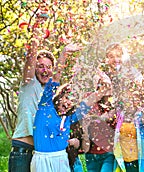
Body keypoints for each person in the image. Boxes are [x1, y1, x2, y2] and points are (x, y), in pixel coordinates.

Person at [8, 18, 82, 171]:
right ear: (34, 68)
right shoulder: (29, 84)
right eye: (40, 66)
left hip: (43, 154)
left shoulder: (52, 96)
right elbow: (30, 61)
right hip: (23, 149)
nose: (44, 70)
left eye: (49, 67)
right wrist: (36, 35)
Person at [30, 61, 112, 172]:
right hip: (42, 160)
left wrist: (102, 91)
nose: (69, 103)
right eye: (67, 98)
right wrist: (64, 55)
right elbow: (54, 81)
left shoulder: (69, 117)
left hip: (62, 159)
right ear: (60, 95)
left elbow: (87, 103)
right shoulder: (45, 107)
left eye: (73, 101)